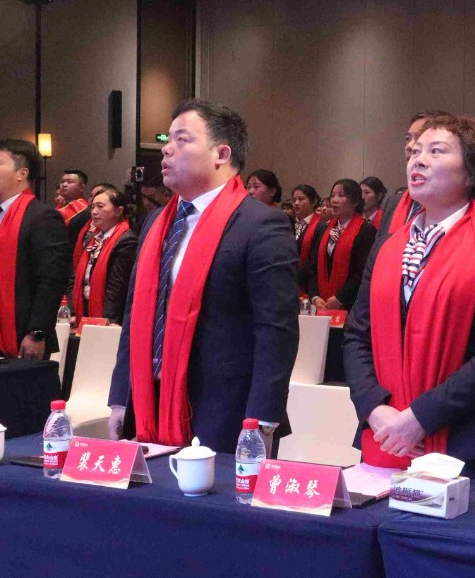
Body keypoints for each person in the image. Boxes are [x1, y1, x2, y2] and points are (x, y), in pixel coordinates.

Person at [343, 114, 475, 480]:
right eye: (415, 151)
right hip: (383, 436)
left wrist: (420, 418)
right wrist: (374, 409)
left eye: (436, 151)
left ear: (472, 173)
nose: (418, 159)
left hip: (463, 441)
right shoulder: (387, 247)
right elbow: (356, 335)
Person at [108, 99, 298, 451]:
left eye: (182, 140)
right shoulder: (156, 222)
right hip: (150, 399)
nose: (167, 149)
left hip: (226, 409)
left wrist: (263, 417)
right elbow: (135, 314)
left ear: (221, 154)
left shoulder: (260, 224)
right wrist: (121, 396)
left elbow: (276, 329)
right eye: (168, 140)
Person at [0, 139, 70, 359]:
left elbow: (51, 281)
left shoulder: (42, 217)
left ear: (21, 173)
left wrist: (37, 333)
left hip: (21, 337)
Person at [69, 188, 137, 325]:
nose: (94, 211)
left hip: (108, 313)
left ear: (118, 211)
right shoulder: (93, 237)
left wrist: (109, 319)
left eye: (100, 206)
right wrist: (72, 310)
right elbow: (76, 276)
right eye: (92, 207)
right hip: (85, 306)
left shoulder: (126, 240)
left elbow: (117, 286)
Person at [306, 179, 376, 312]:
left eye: (341, 195)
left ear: (355, 201)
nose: (334, 200)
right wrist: (315, 296)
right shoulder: (324, 229)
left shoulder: (366, 231)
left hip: (351, 305)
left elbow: (363, 271)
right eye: (332, 195)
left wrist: (340, 298)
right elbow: (313, 266)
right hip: (321, 303)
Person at [379, 110, 449, 234]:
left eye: (420, 138)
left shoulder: (458, 207)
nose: (409, 146)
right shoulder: (393, 203)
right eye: (408, 138)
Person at [291, 184, 324, 291]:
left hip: (308, 283)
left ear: (313, 202)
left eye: (301, 199)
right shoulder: (290, 224)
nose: (296, 203)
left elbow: (314, 261)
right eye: (294, 200)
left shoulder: (321, 226)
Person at [58, 169, 92, 243]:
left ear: (82, 188)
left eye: (69, 182)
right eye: (62, 182)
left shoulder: (86, 212)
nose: (64, 184)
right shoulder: (59, 207)